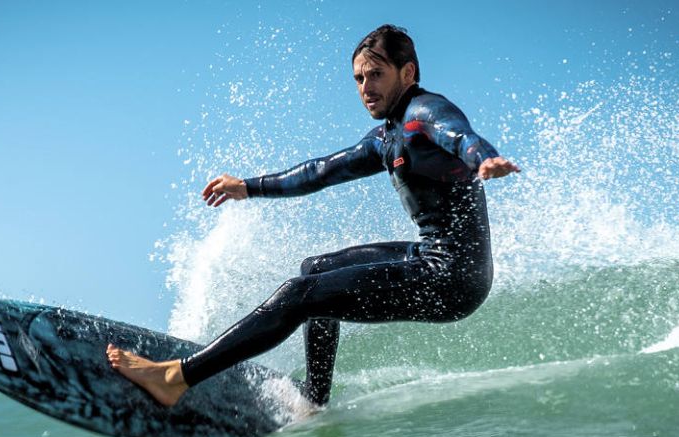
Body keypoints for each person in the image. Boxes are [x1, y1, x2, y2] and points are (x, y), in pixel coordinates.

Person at [107, 24, 519, 408]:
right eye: (358, 79)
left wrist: (483, 159)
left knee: (298, 294)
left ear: (407, 72)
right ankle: (316, 399)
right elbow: (319, 171)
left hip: (453, 279)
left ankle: (176, 378)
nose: (365, 88)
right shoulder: (387, 136)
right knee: (314, 270)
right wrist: (247, 187)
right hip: (431, 256)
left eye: (375, 75)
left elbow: (459, 134)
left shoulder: (425, 113)